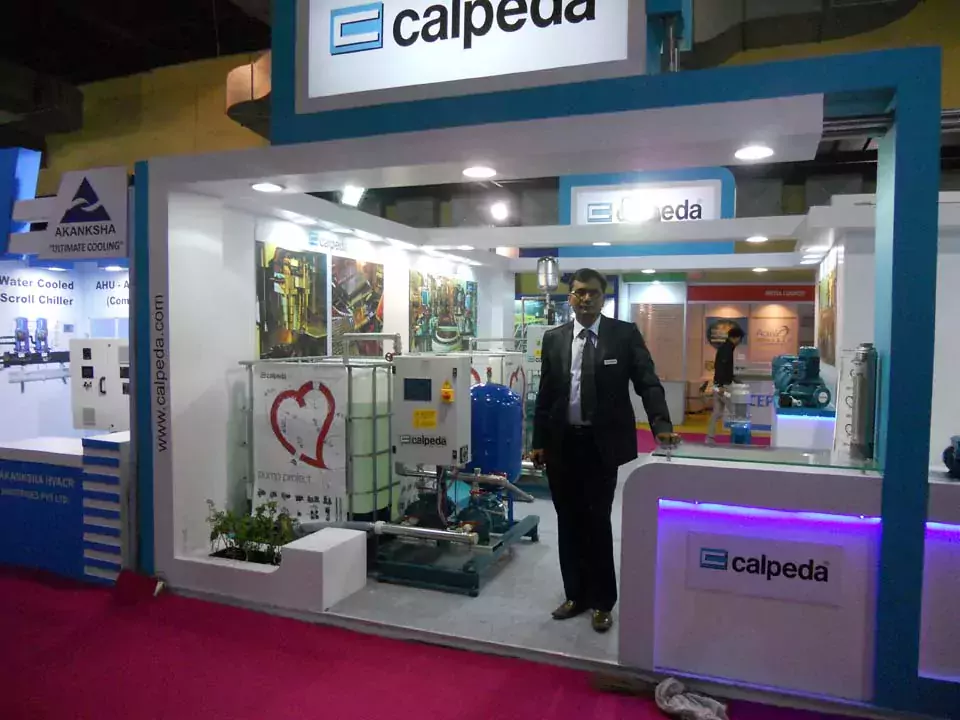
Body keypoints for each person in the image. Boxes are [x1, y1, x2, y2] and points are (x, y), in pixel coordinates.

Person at [530, 268, 679, 633]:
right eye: (579, 292)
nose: (586, 298)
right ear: (570, 297)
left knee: (597, 522)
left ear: (603, 297)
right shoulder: (554, 338)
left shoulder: (623, 335)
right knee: (568, 522)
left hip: (602, 446)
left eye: (593, 293)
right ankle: (575, 595)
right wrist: (538, 442)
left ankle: (601, 601)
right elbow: (546, 394)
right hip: (562, 445)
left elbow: (647, 382)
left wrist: (661, 424)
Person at [705, 326, 745, 445]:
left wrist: (733, 378)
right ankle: (738, 437)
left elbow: (722, 368)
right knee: (734, 410)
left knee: (717, 412)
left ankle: (710, 437)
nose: (740, 342)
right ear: (737, 338)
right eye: (740, 339)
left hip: (718, 386)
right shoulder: (727, 349)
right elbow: (721, 368)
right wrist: (722, 385)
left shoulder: (724, 348)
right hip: (724, 388)